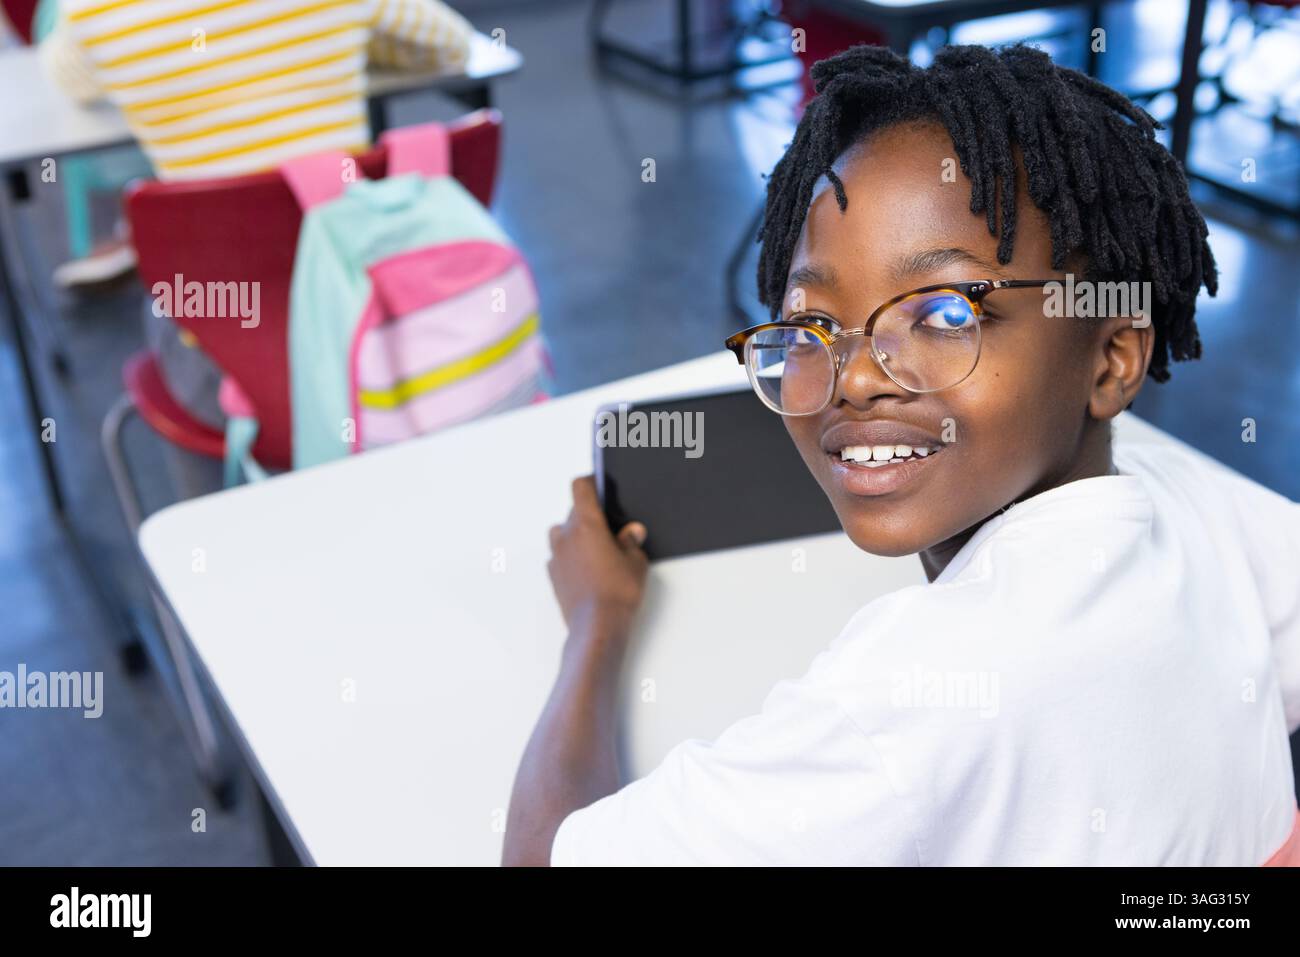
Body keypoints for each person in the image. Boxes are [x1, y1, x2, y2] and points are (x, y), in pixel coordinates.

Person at [503, 44, 1300, 866]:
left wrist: (596, 622)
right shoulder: (1194, 503)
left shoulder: (905, 711)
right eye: (810, 327)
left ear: (1111, 358)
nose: (850, 377)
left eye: (945, 317)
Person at [39, 0, 473, 425]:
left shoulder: (94, 9)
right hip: (378, 333)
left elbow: (72, 80)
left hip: (221, 365)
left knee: (165, 308)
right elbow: (451, 45)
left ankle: (222, 494)